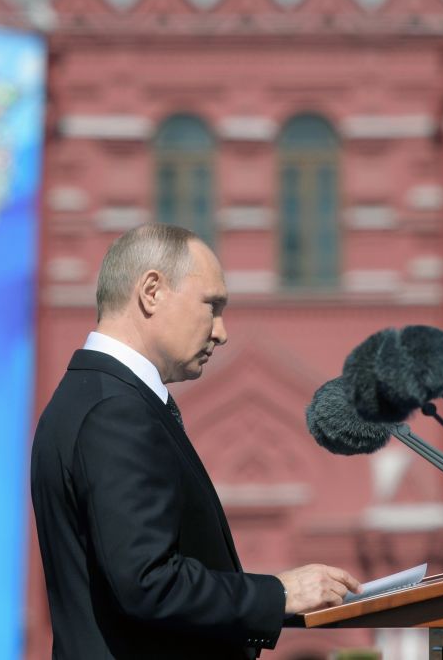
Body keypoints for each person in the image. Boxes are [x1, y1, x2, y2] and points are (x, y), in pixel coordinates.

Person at [31, 223, 361, 659]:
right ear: (152, 291)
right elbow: (148, 583)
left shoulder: (97, 397)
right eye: (212, 306)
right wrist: (279, 593)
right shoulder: (116, 411)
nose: (221, 332)